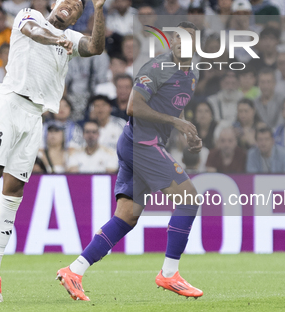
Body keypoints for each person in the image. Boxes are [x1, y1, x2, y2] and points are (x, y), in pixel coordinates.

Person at [0, 0, 108, 302]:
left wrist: (98, 9)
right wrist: (55, 38)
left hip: (35, 117)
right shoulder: (29, 15)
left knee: (15, 189)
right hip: (8, 105)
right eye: (68, 0)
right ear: (56, 1)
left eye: (78, 6)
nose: (71, 6)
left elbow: (96, 46)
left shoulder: (71, 38)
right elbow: (33, 32)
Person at [57, 21, 204, 301]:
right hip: (141, 144)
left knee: (127, 216)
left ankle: (74, 270)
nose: (182, 44)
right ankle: (170, 273)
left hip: (141, 144)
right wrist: (176, 122)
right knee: (188, 199)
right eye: (178, 38)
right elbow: (133, 106)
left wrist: (186, 131)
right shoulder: (157, 68)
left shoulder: (192, 73)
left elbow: (174, 106)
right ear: (172, 40)